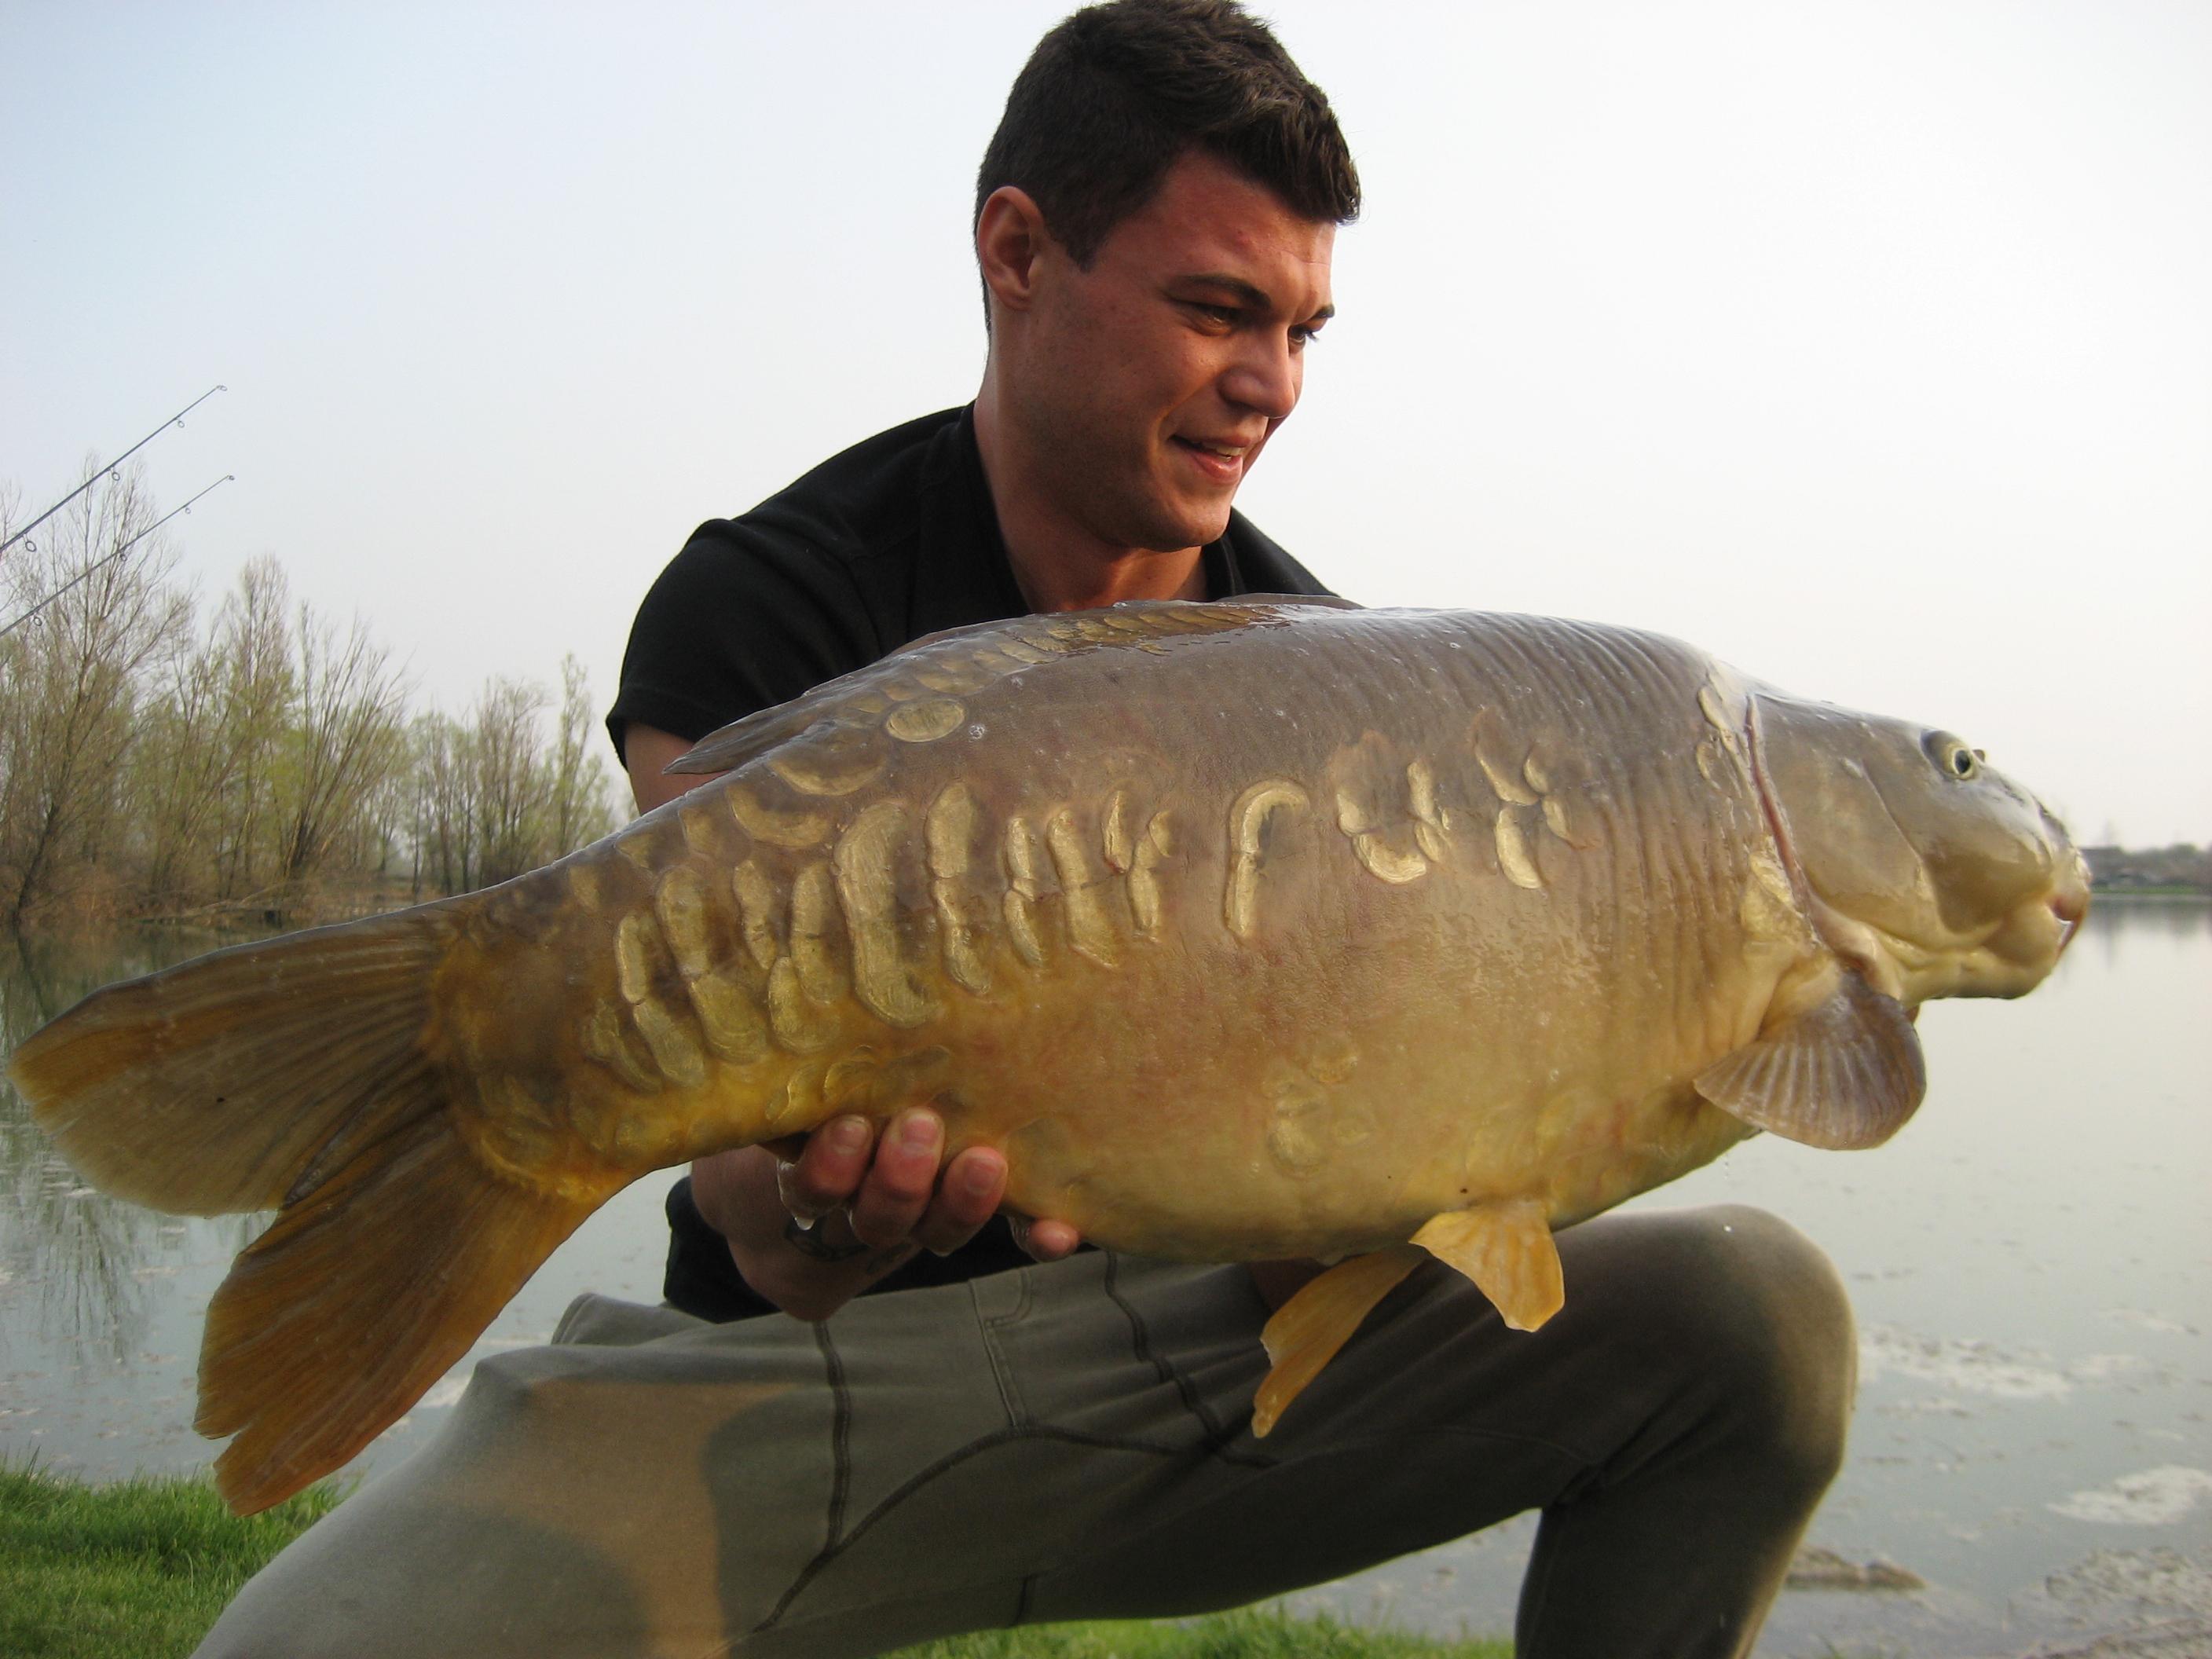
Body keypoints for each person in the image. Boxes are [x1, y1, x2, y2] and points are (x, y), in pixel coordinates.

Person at [193, 5, 1854, 1656]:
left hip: (1177, 1369)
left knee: (1756, 1321)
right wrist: (834, 1212)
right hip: (804, 1373)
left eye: (1302, 330)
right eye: (1218, 310)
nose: (1270, 384)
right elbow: (754, 1220)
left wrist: (1499, 1125)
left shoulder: (1329, 684)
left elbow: (1310, 1274)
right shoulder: (773, 594)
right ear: (1018, 254)